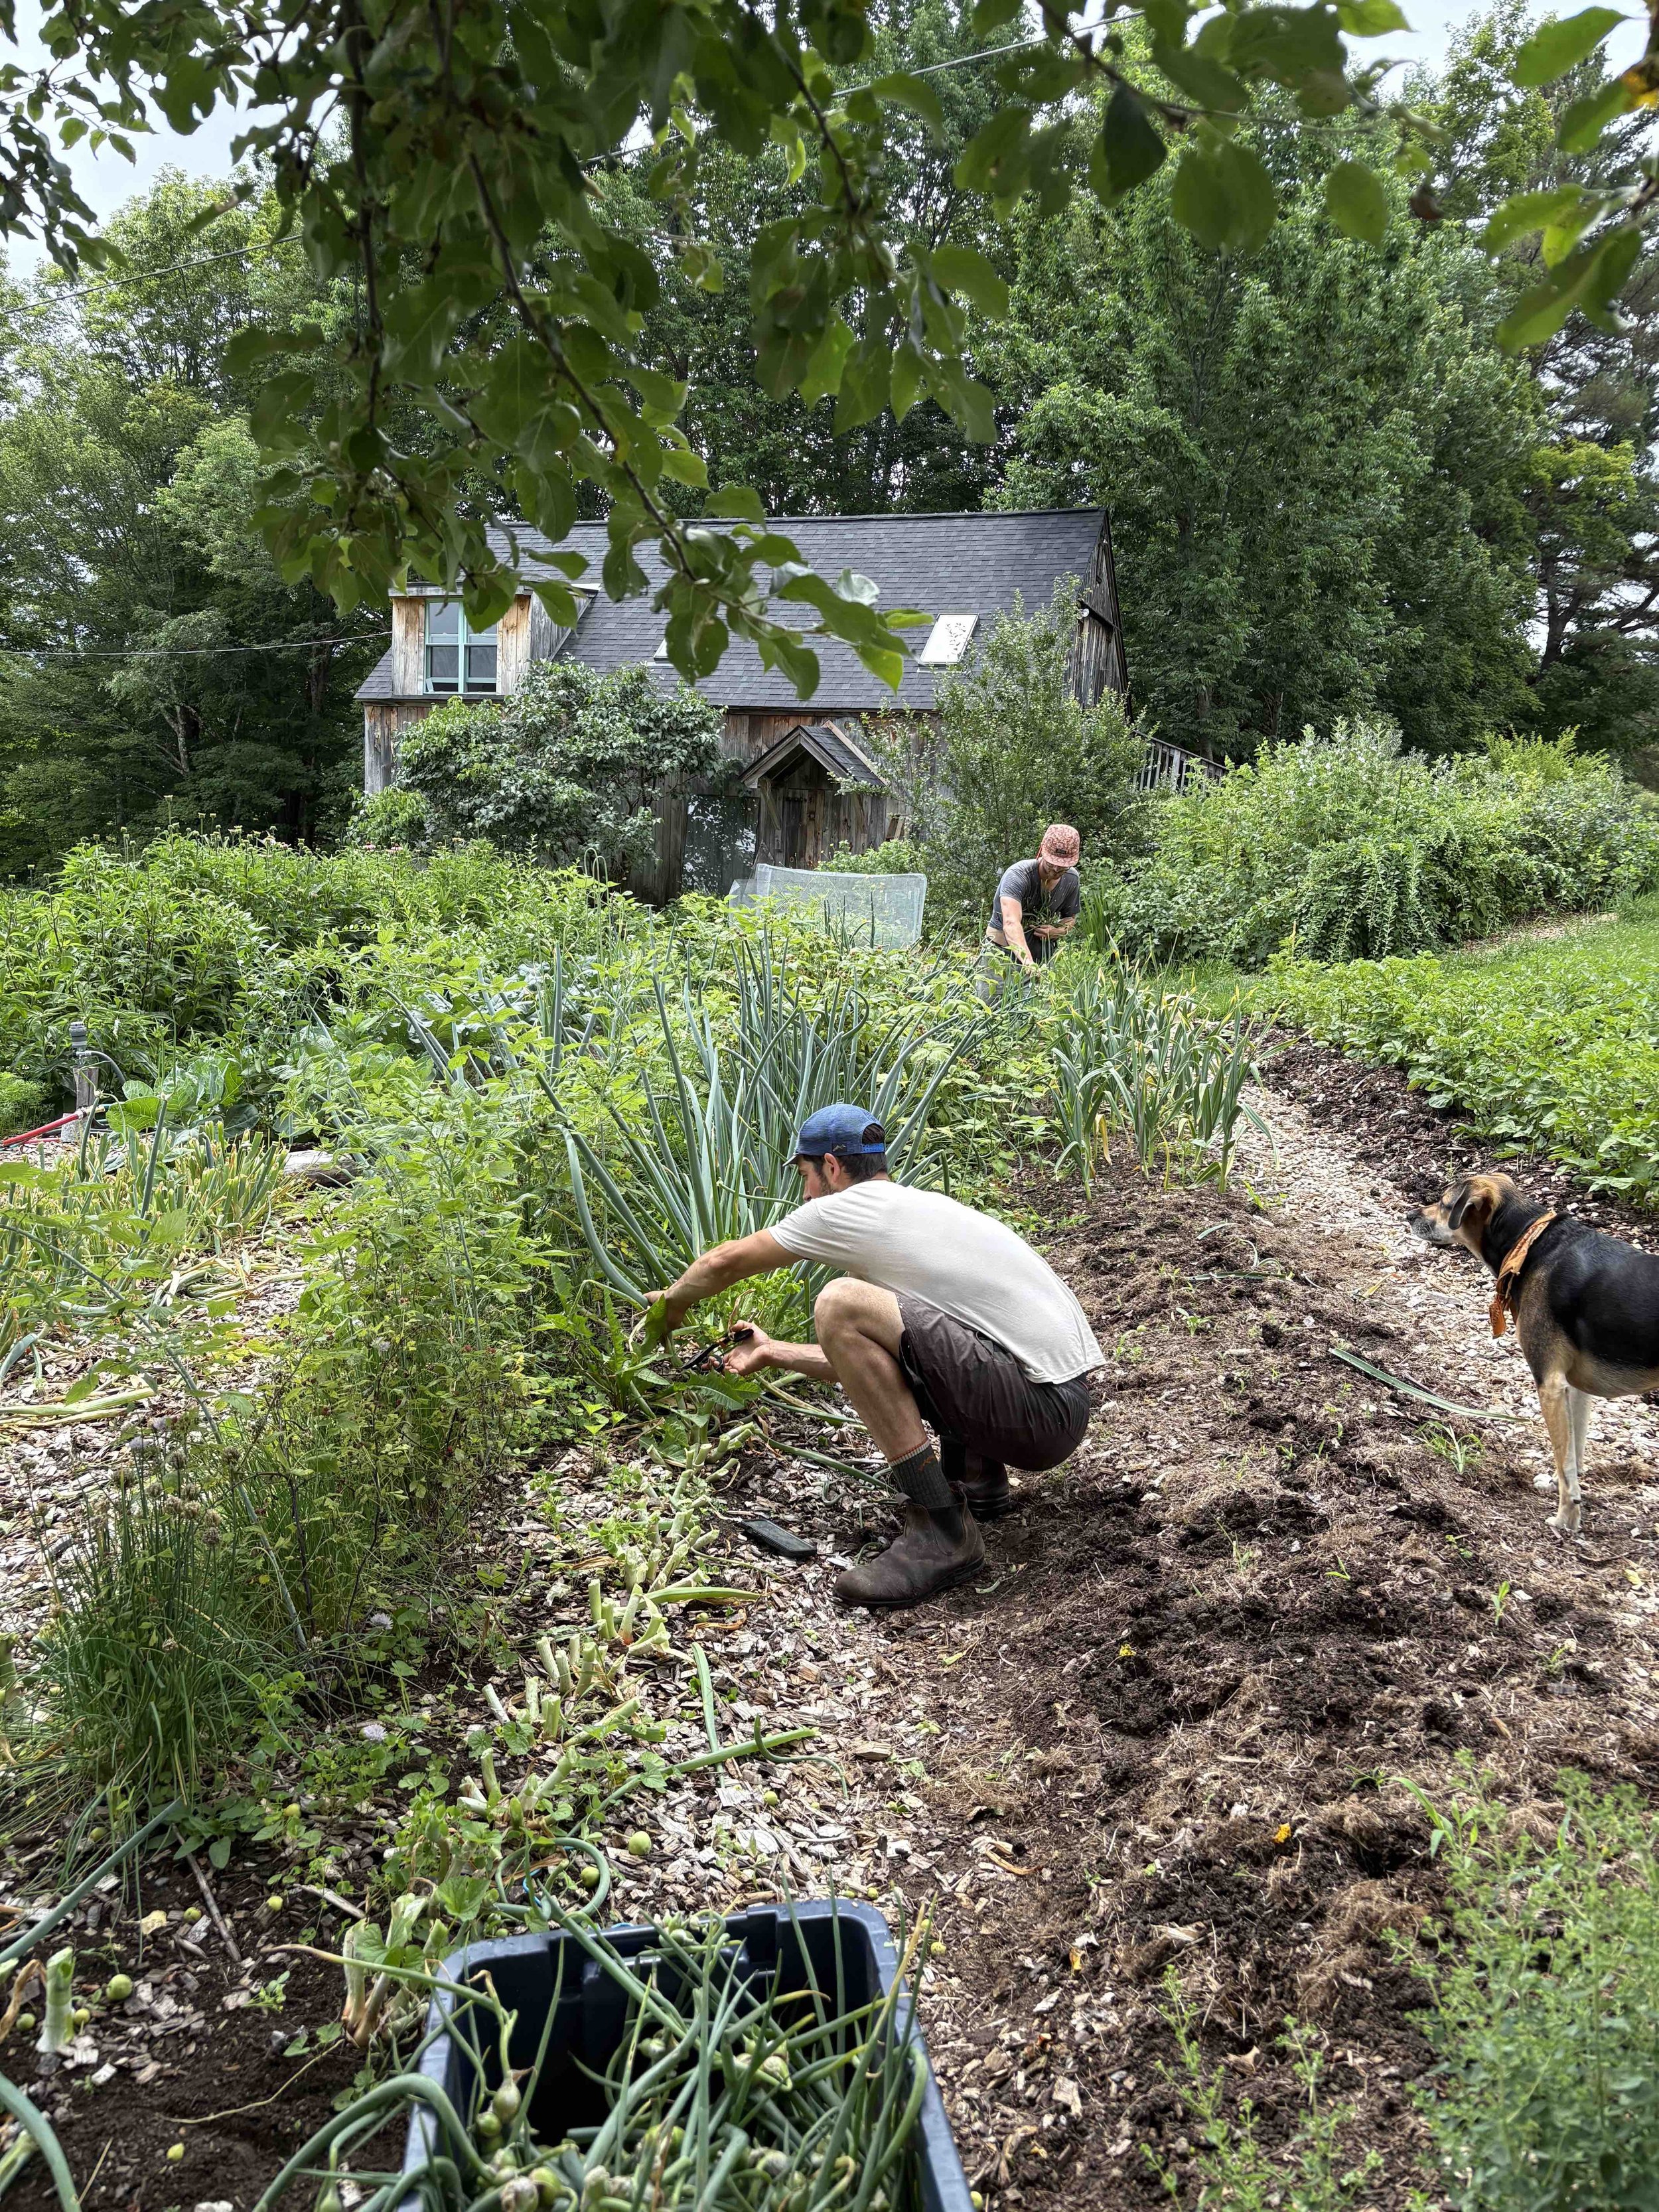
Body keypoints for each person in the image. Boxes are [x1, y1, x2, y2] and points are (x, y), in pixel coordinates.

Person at [646, 1103, 1103, 1607]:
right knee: (884, 1315)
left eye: (805, 1176)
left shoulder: (848, 1208)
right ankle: (977, 1478)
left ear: (831, 1167)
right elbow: (885, 1365)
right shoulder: (925, 1210)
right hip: (1057, 1408)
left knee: (840, 1301)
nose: (806, 1194)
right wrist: (772, 1351)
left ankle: (943, 1533)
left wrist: (670, 1305)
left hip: (1037, 1414)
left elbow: (723, 1261)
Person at [983, 823, 1083, 976]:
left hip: (1041, 957)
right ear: (1042, 851)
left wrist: (1057, 931)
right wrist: (1028, 963)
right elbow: (1011, 923)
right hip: (1001, 955)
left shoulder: (1071, 879)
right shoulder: (1018, 875)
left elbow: (1070, 918)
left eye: (1063, 865)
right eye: (1052, 863)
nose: (1056, 869)